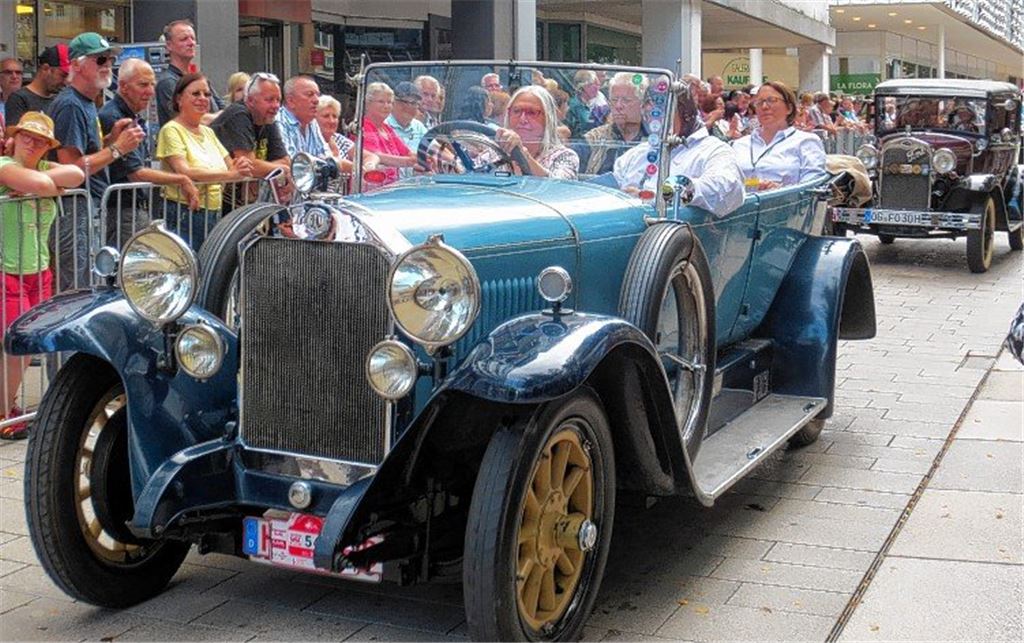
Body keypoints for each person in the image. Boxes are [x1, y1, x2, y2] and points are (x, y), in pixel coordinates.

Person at [0, 112, 84, 439]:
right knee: (16, 346)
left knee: (24, 345)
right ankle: (5, 414)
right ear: (15, 137)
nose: (32, 144)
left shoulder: (43, 168)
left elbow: (76, 173)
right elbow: (40, 184)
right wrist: (51, 188)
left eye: (40, 141)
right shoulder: (5, 165)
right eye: (27, 136)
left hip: (38, 269)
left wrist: (48, 185)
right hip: (9, 271)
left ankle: (7, 407)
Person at [49, 32, 146, 291]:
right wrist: (116, 148)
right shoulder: (71, 105)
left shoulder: (87, 102)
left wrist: (110, 141)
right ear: (77, 65)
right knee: (75, 285)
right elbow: (72, 169)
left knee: (88, 279)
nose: (108, 65)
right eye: (101, 59)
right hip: (71, 209)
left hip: (86, 207)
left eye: (111, 59)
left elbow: (85, 156)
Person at [99, 58, 200, 246]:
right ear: (123, 86)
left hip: (136, 208)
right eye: (143, 85)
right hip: (122, 210)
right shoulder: (113, 117)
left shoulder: (133, 116)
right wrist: (181, 179)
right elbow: (135, 173)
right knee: (125, 270)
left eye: (152, 84)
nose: (150, 91)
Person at [613, 84, 744, 218]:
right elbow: (610, 184)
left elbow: (725, 190)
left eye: (662, 114)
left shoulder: (714, 150)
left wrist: (661, 194)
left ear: (685, 114)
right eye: (649, 115)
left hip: (685, 234)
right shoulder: (637, 153)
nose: (655, 122)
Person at [156, 73, 252, 249]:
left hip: (214, 211)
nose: (203, 99)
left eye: (207, 94)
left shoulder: (208, 132)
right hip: (185, 211)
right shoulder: (171, 130)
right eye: (195, 94)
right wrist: (231, 174)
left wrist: (239, 168)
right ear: (179, 99)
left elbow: (232, 166)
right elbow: (186, 171)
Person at [210, 72, 290, 209]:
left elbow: (285, 160)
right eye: (269, 100)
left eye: (278, 100)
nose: (276, 105)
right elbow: (249, 166)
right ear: (250, 100)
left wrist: (274, 167)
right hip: (216, 202)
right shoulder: (238, 114)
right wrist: (282, 169)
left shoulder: (268, 118)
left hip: (242, 203)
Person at [733, 80, 827, 191]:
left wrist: (781, 191)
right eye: (759, 102)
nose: (764, 106)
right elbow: (730, 183)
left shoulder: (806, 141)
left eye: (772, 100)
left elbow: (812, 186)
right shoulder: (740, 145)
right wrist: (752, 184)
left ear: (789, 108)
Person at [495, 85, 579, 180]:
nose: (522, 120)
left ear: (548, 118)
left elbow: (558, 187)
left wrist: (522, 153)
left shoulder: (564, 156)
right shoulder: (494, 153)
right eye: (517, 111)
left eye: (531, 113)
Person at [156, 19, 224, 126]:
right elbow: (187, 121)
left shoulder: (200, 79)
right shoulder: (167, 82)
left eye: (193, 38)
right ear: (169, 45)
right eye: (184, 39)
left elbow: (226, 112)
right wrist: (218, 117)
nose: (191, 43)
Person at [578, 72, 649, 176]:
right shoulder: (593, 139)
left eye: (626, 100)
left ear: (642, 104)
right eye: (614, 100)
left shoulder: (654, 140)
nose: (618, 106)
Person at [361, 82, 418, 186]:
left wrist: (424, 157)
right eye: (381, 102)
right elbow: (376, 156)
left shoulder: (387, 129)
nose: (386, 106)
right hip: (371, 188)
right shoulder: (362, 127)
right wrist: (408, 162)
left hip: (392, 188)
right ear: (367, 104)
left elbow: (407, 152)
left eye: (389, 102)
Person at [4, 45, 69, 128]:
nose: (66, 81)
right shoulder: (19, 99)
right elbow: (13, 136)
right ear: (46, 69)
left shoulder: (61, 98)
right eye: (63, 75)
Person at [316, 95, 377, 179]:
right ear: (314, 119)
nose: (331, 121)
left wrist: (369, 165)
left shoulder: (338, 139)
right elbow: (334, 163)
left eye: (335, 116)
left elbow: (372, 156)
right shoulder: (312, 139)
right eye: (326, 116)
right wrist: (359, 170)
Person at [276, 75, 330, 158]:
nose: (316, 100)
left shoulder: (312, 122)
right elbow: (290, 163)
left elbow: (326, 157)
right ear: (291, 101)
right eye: (309, 94)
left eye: (317, 95)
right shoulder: (278, 121)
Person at [386, 81, 429, 158]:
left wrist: (454, 161)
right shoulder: (384, 125)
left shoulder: (418, 126)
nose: (409, 107)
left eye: (414, 103)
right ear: (394, 102)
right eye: (404, 102)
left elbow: (434, 146)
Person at [565, 70, 602, 137]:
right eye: (593, 84)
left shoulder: (597, 102)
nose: (597, 88)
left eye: (598, 84)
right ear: (582, 86)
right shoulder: (573, 107)